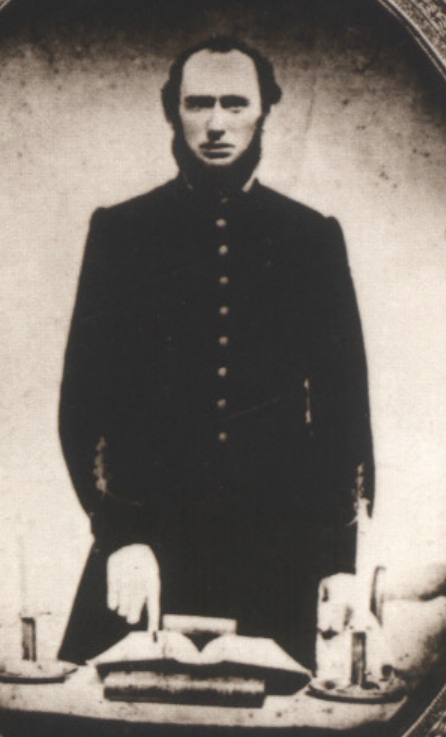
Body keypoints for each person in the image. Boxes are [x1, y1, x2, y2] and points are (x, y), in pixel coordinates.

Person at [58, 36, 374, 669]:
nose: (217, 123)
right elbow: (82, 405)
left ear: (264, 111)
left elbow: (343, 409)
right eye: (198, 103)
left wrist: (340, 561)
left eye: (236, 103)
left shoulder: (310, 237)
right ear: (173, 112)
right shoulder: (121, 232)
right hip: (146, 544)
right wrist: (117, 538)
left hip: (280, 548)